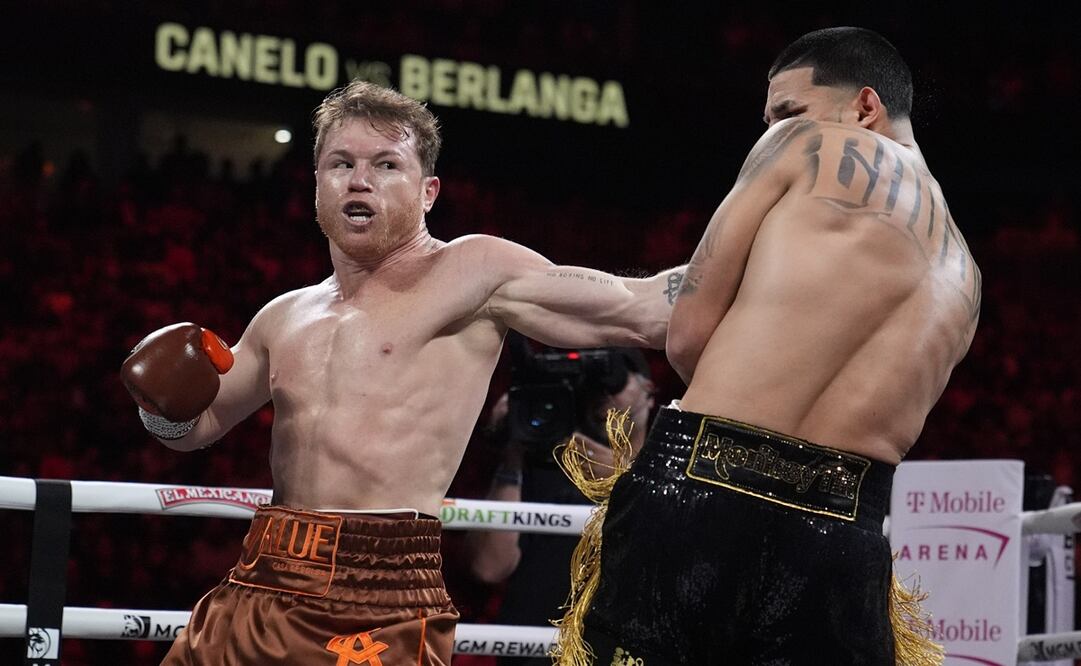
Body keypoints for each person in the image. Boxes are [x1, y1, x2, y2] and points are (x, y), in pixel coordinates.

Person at [119, 80, 682, 665]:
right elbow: (196, 428)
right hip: (257, 579)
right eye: (341, 163)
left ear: (429, 190)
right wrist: (157, 405)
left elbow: (639, 308)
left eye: (386, 164)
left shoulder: (472, 271)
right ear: (317, 185)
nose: (359, 180)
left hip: (375, 593)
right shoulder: (283, 315)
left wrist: (764, 242)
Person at [554, 27, 979, 666]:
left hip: (702, 486)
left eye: (786, 110)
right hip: (846, 531)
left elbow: (689, 333)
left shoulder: (802, 146)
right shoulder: (967, 274)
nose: (773, 126)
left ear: (865, 107)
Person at [465, 349, 655, 666]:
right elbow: (489, 568)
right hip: (533, 654)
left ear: (648, 389)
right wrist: (513, 453)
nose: (603, 393)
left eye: (614, 378)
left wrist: (577, 448)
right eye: (593, 384)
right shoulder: (545, 467)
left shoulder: (672, 476)